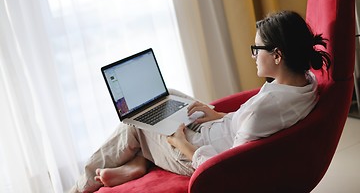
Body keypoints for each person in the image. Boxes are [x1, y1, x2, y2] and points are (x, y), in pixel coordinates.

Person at [70, 10, 331, 192]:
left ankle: (80, 186)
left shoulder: (266, 109)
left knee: (135, 122)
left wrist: (182, 144)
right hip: (216, 132)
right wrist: (217, 116)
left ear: (277, 55)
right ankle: (139, 162)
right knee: (166, 97)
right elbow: (249, 125)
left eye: (257, 49)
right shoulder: (304, 82)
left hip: (197, 154)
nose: (253, 56)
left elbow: (226, 168)